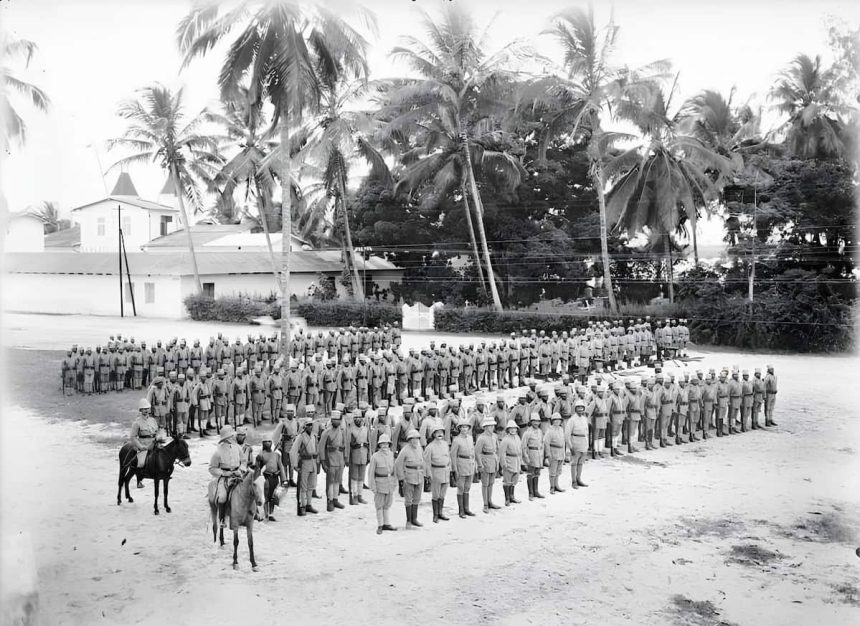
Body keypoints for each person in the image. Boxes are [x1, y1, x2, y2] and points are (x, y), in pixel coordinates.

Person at [209, 425, 244, 528]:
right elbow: (212, 468)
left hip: (237, 474)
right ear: (228, 438)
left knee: (250, 488)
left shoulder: (238, 448)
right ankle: (222, 519)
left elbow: (244, 461)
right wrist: (224, 473)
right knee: (223, 496)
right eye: (232, 436)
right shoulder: (218, 452)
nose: (234, 437)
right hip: (225, 477)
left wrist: (241, 470)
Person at [394, 429, 425, 529]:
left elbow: (423, 461)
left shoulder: (420, 449)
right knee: (408, 499)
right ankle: (408, 520)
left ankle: (414, 519)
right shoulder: (405, 450)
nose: (415, 441)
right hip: (409, 476)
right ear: (409, 440)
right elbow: (398, 464)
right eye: (412, 439)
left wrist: (425, 473)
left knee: (417, 498)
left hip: (419, 475)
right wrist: (401, 478)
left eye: (417, 439)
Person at [368, 433, 398, 534]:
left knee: (387, 504)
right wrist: (372, 486)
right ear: (379, 445)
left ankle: (387, 523)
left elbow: (395, 470)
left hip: (389, 483)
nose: (385, 446)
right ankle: (380, 525)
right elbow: (371, 473)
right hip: (379, 484)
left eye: (387, 444)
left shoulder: (392, 455)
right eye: (382, 444)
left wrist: (395, 482)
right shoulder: (375, 457)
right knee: (379, 505)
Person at [289, 418, 320, 516]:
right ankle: (303, 505)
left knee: (311, 485)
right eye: (308, 425)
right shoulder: (301, 437)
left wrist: (318, 462)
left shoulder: (314, 436)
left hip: (313, 462)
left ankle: (309, 505)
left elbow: (317, 450)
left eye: (311, 425)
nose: (310, 427)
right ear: (305, 426)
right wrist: (294, 465)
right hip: (304, 463)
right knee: (303, 487)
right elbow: (293, 451)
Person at [423, 420, 451, 523]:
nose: (439, 434)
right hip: (436, 472)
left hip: (445, 471)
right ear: (433, 434)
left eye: (441, 432)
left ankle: (440, 512)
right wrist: (428, 475)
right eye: (437, 432)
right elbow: (426, 462)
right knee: (436, 495)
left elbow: (448, 457)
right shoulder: (430, 447)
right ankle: (435, 515)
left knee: (442, 494)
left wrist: (450, 468)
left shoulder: (445, 444)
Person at [318, 411, 347, 512]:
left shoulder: (342, 431)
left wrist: (345, 458)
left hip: (339, 459)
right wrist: (323, 461)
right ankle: (329, 501)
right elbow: (321, 447)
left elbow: (344, 445)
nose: (336, 421)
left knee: (337, 481)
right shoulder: (327, 432)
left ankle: (335, 499)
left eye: (338, 419)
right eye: (334, 419)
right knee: (330, 482)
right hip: (330, 459)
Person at [130, 397, 161, 489]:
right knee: (141, 462)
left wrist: (158, 438)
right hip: (143, 445)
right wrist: (140, 446)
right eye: (144, 409)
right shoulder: (137, 422)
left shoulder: (153, 420)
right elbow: (133, 437)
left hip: (154, 443)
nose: (146, 411)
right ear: (140, 410)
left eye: (147, 408)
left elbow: (157, 432)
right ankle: (139, 480)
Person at [256, 433, 287, 521]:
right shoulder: (261, 455)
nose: (267, 443)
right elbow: (257, 468)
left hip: (275, 478)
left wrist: (284, 480)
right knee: (266, 497)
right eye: (265, 442)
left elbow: (281, 467)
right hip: (266, 478)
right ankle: (266, 514)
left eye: (269, 441)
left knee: (273, 497)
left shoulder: (277, 455)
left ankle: (270, 513)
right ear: (263, 443)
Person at [449, 418, 476, 518]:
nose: (464, 429)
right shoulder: (456, 440)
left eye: (466, 427)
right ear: (459, 428)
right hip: (461, 464)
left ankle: (467, 508)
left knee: (467, 487)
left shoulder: (470, 438)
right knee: (461, 487)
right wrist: (454, 468)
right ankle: (461, 510)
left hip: (470, 464)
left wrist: (475, 464)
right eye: (462, 427)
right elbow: (453, 455)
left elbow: (473, 452)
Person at [474, 417, 500, 513]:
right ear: (485, 427)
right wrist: (480, 464)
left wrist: (498, 460)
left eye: (493, 425)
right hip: (485, 459)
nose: (492, 427)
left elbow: (497, 448)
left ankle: (490, 501)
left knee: (491, 483)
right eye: (489, 426)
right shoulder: (481, 438)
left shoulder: (494, 436)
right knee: (485, 483)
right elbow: (477, 452)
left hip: (493, 459)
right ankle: (485, 504)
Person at [346, 411, 369, 505]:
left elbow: (369, 443)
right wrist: (347, 458)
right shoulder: (351, 430)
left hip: (364, 453)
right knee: (354, 477)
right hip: (354, 454)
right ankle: (354, 496)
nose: (357, 419)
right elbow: (348, 445)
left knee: (361, 477)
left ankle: (360, 496)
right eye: (355, 418)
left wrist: (369, 455)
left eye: (359, 417)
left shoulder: (366, 429)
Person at [497, 420, 523, 506]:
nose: (513, 430)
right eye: (510, 428)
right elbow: (501, 453)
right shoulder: (505, 439)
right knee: (507, 480)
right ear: (508, 429)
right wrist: (503, 463)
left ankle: (512, 496)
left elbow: (520, 449)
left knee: (514, 480)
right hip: (509, 460)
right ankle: (507, 498)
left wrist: (520, 460)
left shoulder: (518, 438)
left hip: (516, 460)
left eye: (514, 428)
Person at [565, 400, 589, 489]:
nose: (580, 409)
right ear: (575, 409)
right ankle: (573, 481)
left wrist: (587, 445)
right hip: (575, 443)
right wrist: (570, 447)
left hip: (583, 443)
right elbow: (567, 434)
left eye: (581, 408)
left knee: (580, 463)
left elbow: (587, 432)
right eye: (578, 408)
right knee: (574, 463)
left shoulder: (584, 419)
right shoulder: (572, 420)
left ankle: (579, 479)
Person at [521, 413, 545, 500]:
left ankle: (536, 491)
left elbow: (542, 443)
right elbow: (523, 446)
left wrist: (542, 454)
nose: (536, 423)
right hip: (531, 452)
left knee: (537, 473)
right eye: (534, 421)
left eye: (538, 421)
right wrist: (526, 456)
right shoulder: (527, 433)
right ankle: (530, 493)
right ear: (531, 422)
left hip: (539, 454)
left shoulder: (540, 431)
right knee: (530, 473)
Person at [544, 413, 566, 494]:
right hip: (553, 452)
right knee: (552, 471)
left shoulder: (561, 429)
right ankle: (552, 487)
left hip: (560, 452)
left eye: (559, 420)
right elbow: (546, 443)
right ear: (552, 421)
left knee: (558, 470)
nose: (557, 421)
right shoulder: (549, 431)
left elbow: (563, 442)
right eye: (555, 420)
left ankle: (556, 485)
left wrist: (564, 453)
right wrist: (548, 454)